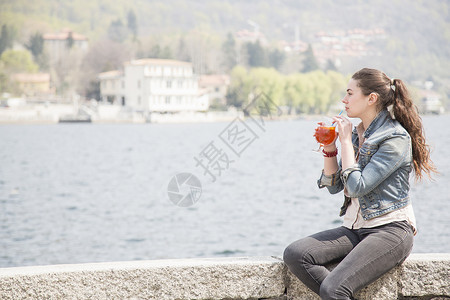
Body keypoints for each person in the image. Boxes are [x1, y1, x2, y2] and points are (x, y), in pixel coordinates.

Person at [283, 68, 436, 300]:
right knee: (296, 254)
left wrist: (344, 140)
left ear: (371, 98)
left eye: (350, 93)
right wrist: (330, 148)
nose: (344, 100)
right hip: (355, 228)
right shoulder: (356, 134)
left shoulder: (394, 138)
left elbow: (357, 186)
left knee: (333, 288)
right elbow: (335, 187)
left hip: (391, 230)